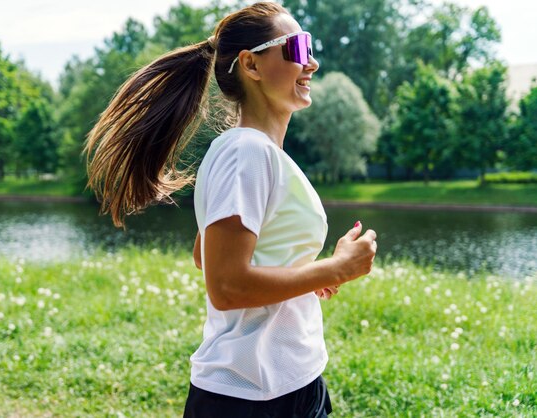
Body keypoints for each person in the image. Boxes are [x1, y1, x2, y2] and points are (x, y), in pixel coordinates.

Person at [84, 2, 377, 417]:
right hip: (252, 396)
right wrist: (336, 270)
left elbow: (205, 255)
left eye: (309, 47)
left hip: (289, 380)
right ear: (251, 65)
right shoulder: (246, 152)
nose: (311, 61)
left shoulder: (256, 152)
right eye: (295, 48)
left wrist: (302, 273)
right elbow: (226, 287)